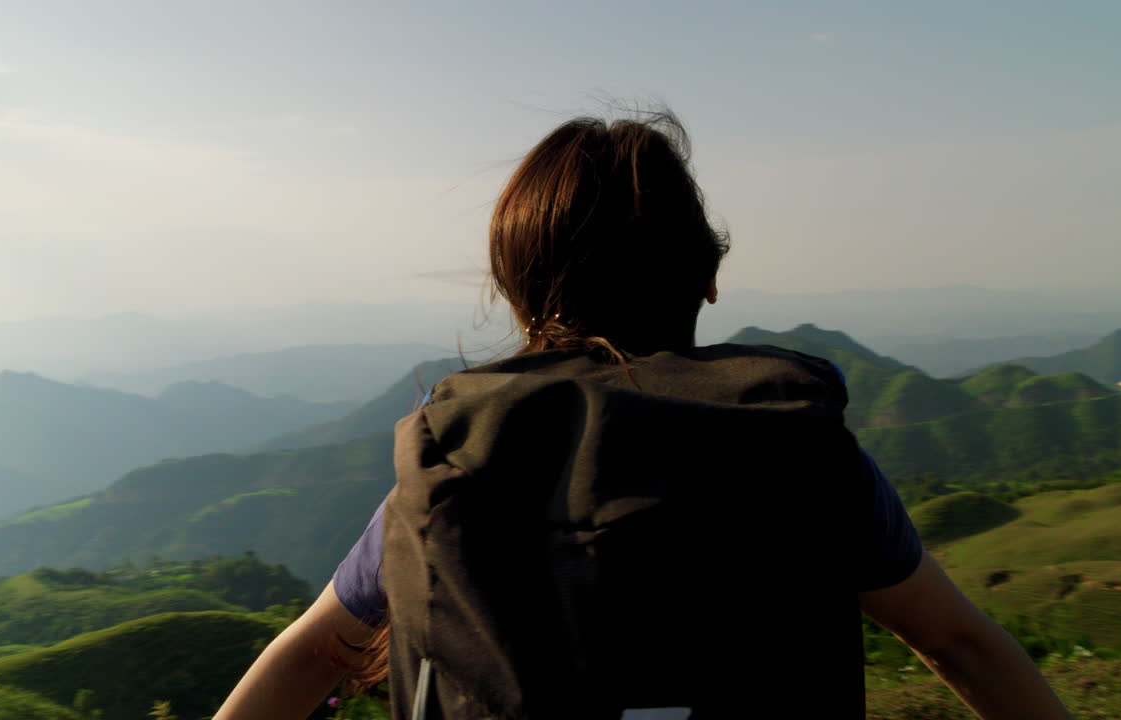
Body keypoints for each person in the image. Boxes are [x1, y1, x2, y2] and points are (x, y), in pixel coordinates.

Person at [213, 112, 1073, 719]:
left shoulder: (451, 470)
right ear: (706, 277)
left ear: (515, 290)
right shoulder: (795, 448)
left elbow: (310, 656)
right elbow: (959, 646)